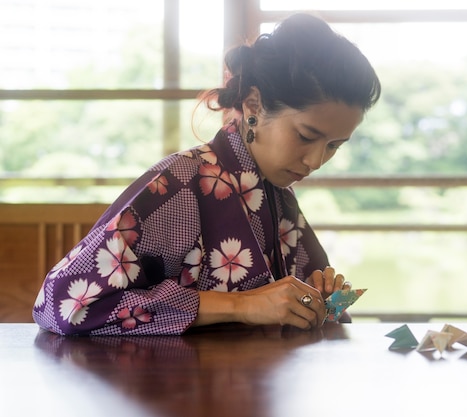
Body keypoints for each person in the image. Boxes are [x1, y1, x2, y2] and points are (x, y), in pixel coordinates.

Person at [32, 13, 381, 335]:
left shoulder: (277, 193)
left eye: (335, 145)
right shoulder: (180, 184)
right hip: (170, 394)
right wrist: (241, 305)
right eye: (306, 136)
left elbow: (292, 310)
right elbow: (63, 304)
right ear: (253, 105)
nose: (317, 161)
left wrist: (318, 300)